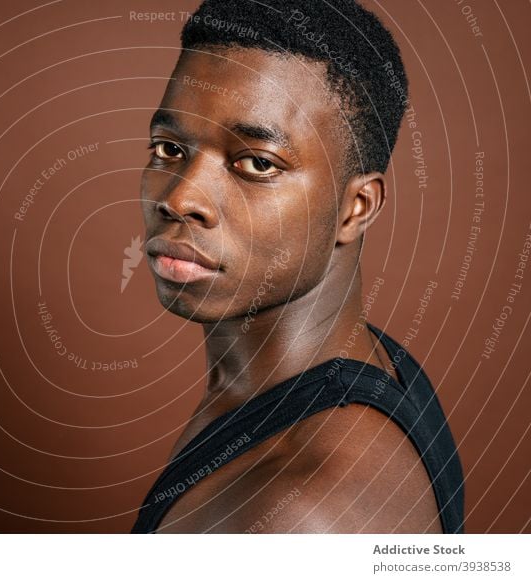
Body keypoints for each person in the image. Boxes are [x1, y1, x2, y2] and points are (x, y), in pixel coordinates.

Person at [132, 0, 464, 533]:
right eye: (169, 148)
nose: (181, 197)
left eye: (257, 163)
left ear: (355, 209)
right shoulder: (362, 364)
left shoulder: (299, 514)